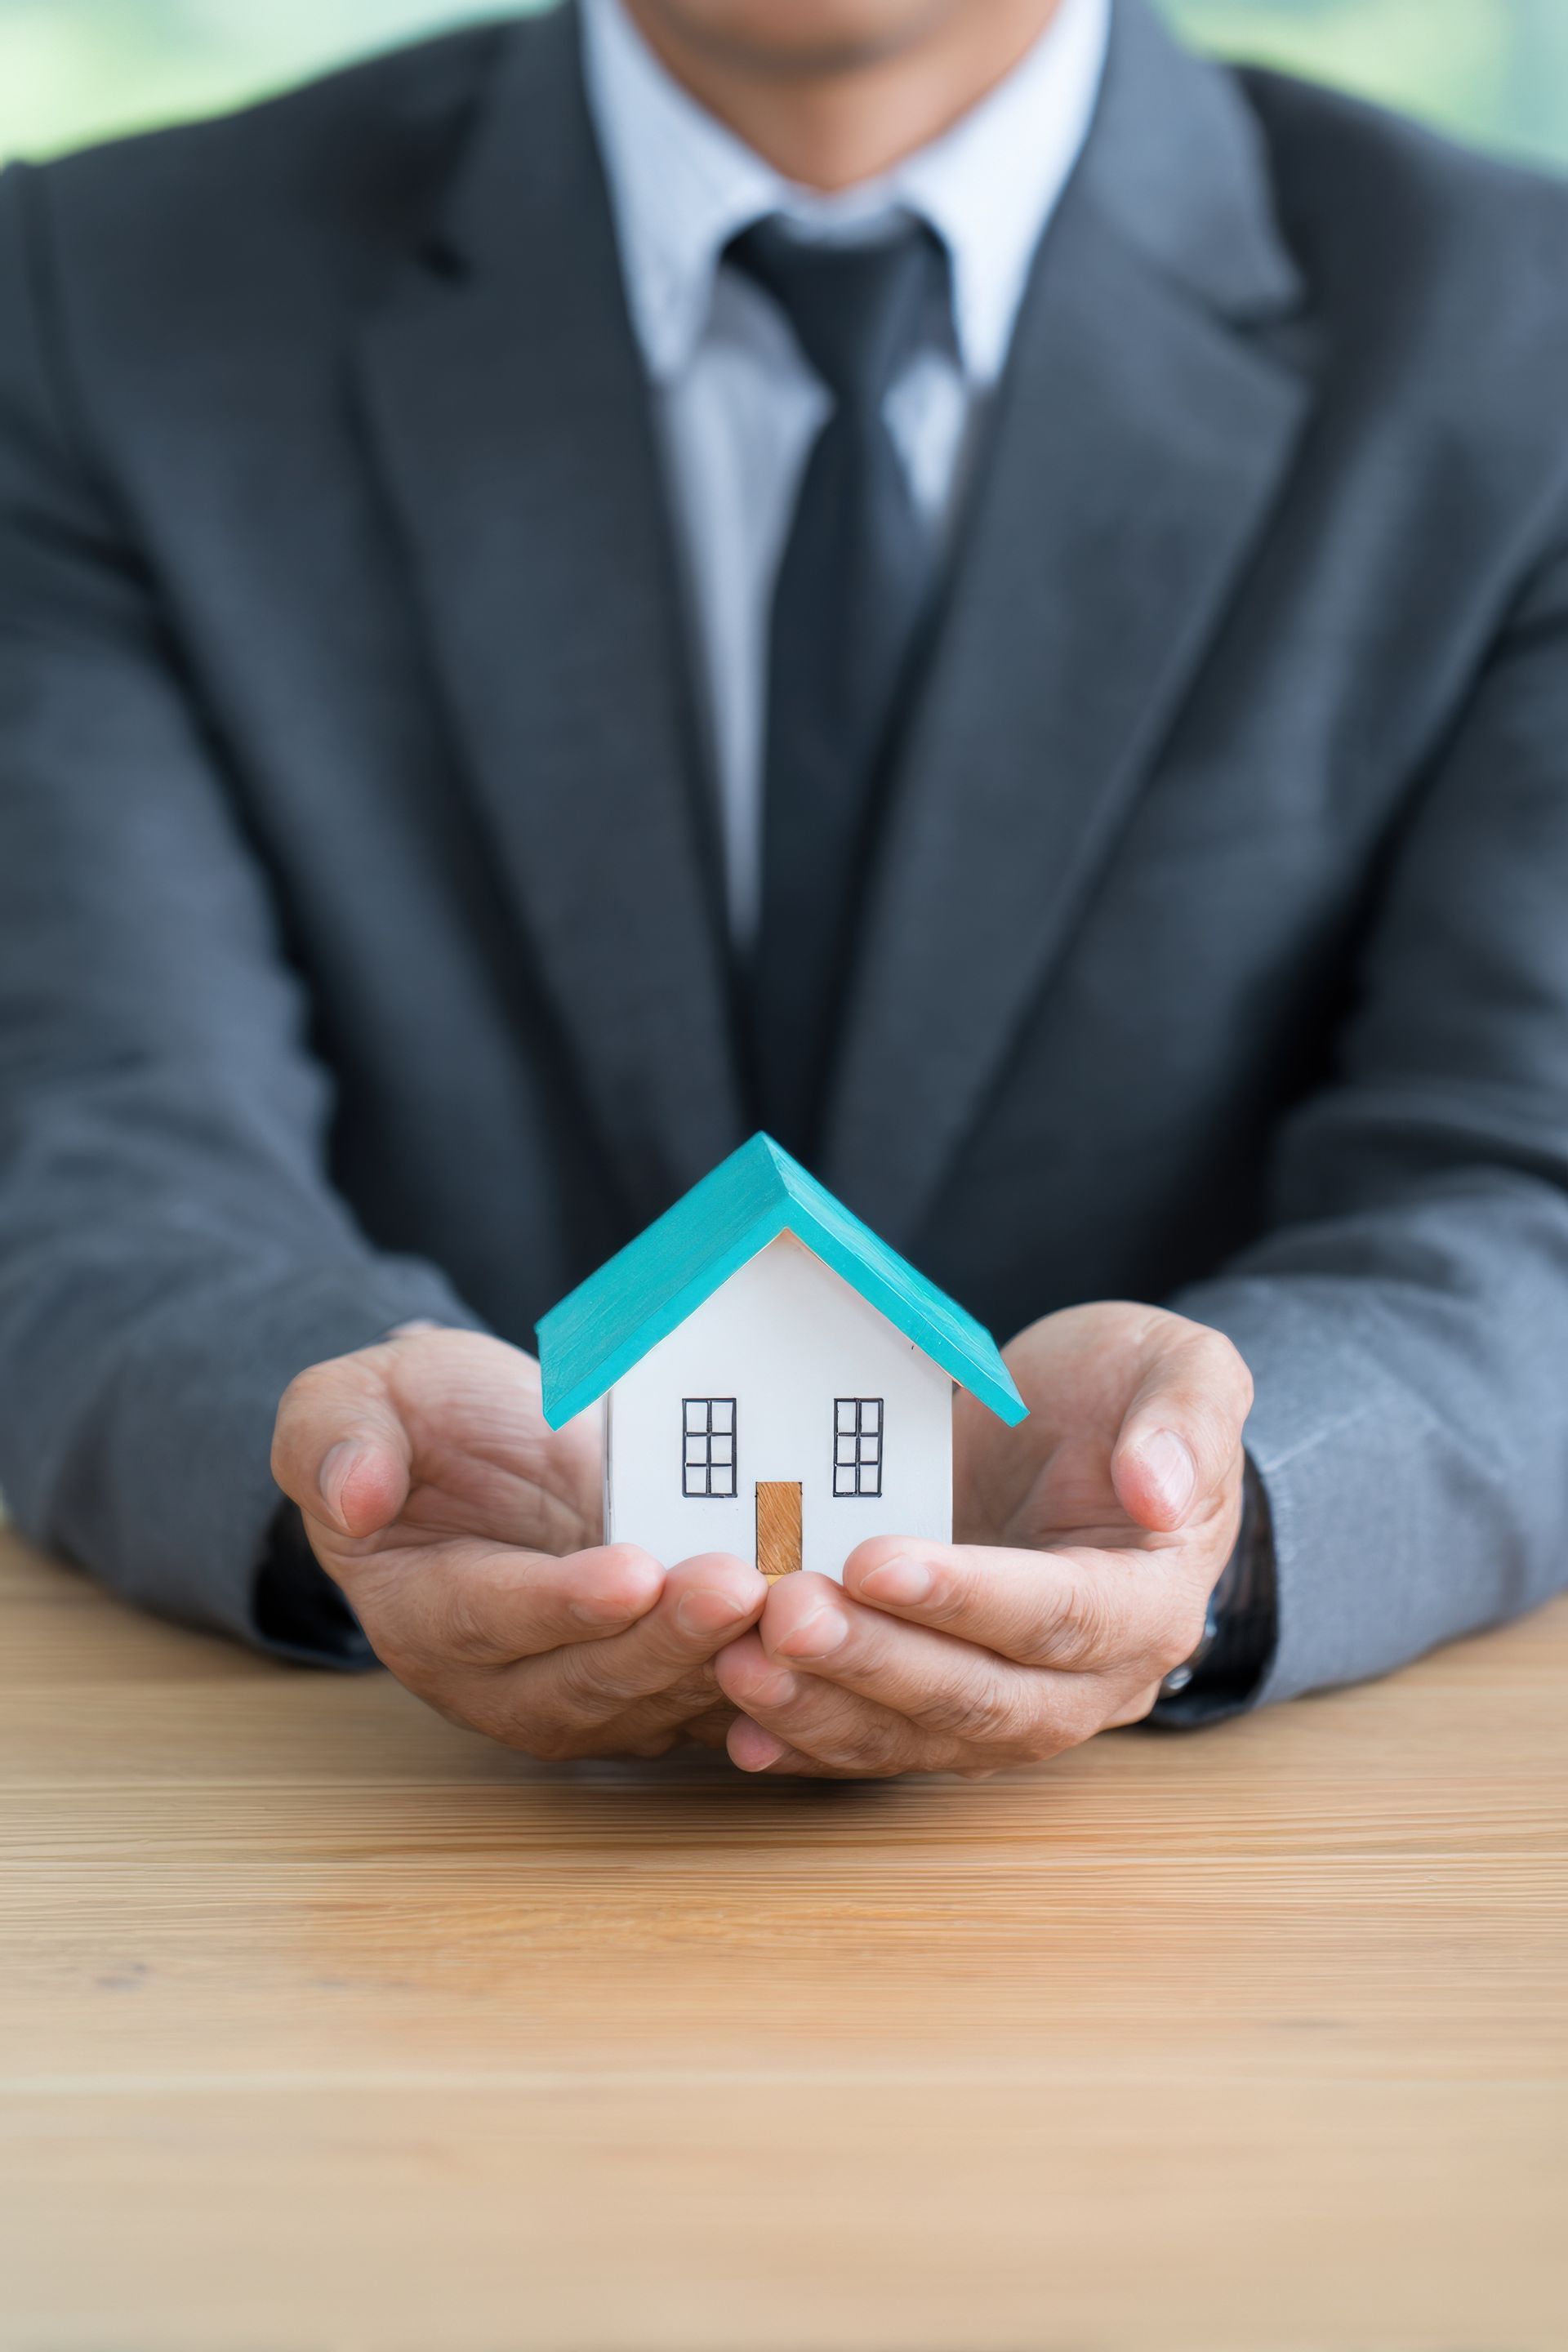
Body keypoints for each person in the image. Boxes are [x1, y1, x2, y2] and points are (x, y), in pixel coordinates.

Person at [1, 0, 1566, 1780]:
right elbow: (89, 1136)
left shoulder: (1520, 338)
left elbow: (1533, 1179)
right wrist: (339, 1462)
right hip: (406, 1852)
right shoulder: (102, 299)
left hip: (1222, 1877)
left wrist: (1229, 1510)